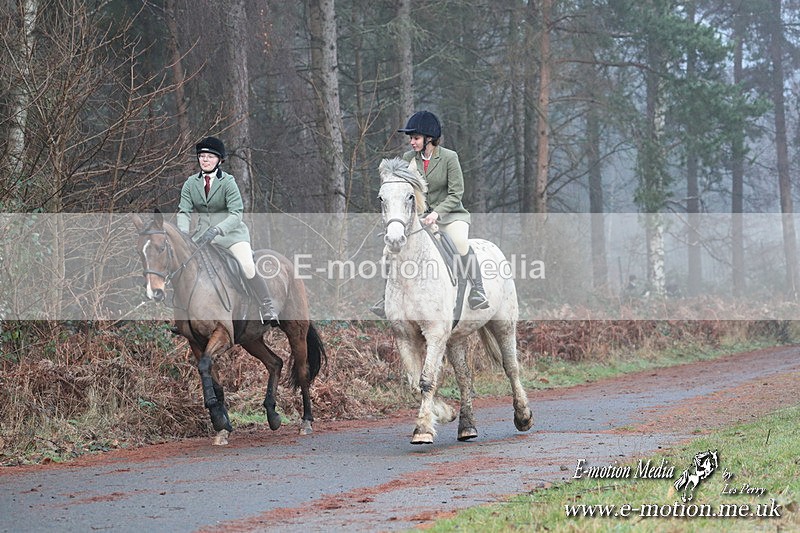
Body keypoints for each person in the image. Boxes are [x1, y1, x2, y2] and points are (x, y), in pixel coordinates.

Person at [371, 111, 489, 317]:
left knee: (460, 242)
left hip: (451, 215)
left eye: (415, 138)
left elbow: (456, 193)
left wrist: (436, 213)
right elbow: (403, 192)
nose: (411, 142)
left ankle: (478, 290)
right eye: (411, 138)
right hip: (420, 218)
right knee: (388, 251)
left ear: (429, 139)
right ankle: (385, 297)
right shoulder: (408, 159)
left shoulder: (450, 158)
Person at [177, 136, 279, 325]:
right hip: (201, 237)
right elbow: (184, 211)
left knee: (247, 265)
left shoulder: (228, 182)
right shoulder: (191, 183)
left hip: (231, 235)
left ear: (219, 160)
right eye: (202, 156)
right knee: (184, 266)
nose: (205, 160)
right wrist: (183, 234)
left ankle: (267, 306)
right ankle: (183, 315)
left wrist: (218, 229)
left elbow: (236, 214)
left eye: (209, 156)